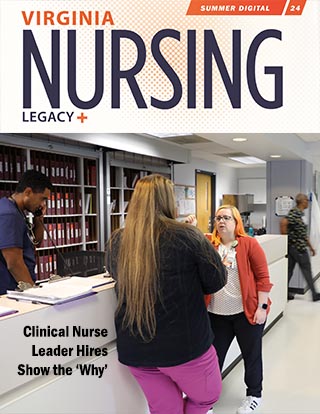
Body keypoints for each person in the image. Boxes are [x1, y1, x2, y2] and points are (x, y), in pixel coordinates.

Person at [106, 174, 227, 414]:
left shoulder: (118, 240)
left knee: (166, 410)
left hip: (137, 349)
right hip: (185, 348)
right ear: (169, 201)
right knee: (206, 397)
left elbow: (114, 272)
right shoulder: (189, 236)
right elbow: (216, 281)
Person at [207, 205, 273, 414]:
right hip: (216, 315)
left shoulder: (248, 244)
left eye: (226, 217)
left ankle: (254, 395)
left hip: (246, 314)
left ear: (236, 222)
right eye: (218, 218)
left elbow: (263, 279)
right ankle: (206, 399)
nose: (221, 221)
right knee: (212, 359)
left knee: (251, 355)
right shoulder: (209, 244)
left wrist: (262, 307)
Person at [0, 170, 53, 294]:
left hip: (18, 287)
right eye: (42, 199)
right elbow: (14, 263)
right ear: (28, 192)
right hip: (9, 291)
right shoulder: (9, 214)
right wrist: (34, 294)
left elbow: (36, 242)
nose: (43, 204)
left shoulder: (17, 211)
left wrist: (39, 220)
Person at [280, 193, 320, 301]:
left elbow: (302, 233)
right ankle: (315, 294)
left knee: (289, 271)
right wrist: (285, 240)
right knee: (306, 270)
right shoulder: (295, 213)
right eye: (306, 200)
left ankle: (284, 293)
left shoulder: (300, 213)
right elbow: (283, 222)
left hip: (294, 248)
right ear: (302, 202)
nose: (308, 202)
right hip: (298, 249)